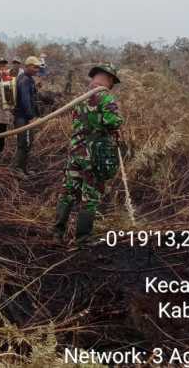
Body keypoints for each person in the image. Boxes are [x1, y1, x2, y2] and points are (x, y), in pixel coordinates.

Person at [53, 63, 124, 248]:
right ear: (109, 79)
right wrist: (117, 122)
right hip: (94, 156)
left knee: (68, 192)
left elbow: (77, 122)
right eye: (112, 81)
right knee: (90, 196)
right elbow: (112, 121)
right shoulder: (106, 96)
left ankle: (56, 233)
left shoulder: (82, 98)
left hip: (75, 153)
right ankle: (82, 238)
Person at [11, 56, 42, 175]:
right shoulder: (24, 80)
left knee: (27, 143)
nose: (37, 69)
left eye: (38, 67)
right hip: (23, 118)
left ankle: (23, 169)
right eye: (34, 67)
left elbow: (33, 99)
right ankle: (17, 169)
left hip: (24, 117)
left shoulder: (28, 79)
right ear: (27, 66)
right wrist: (31, 117)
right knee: (23, 143)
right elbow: (25, 101)